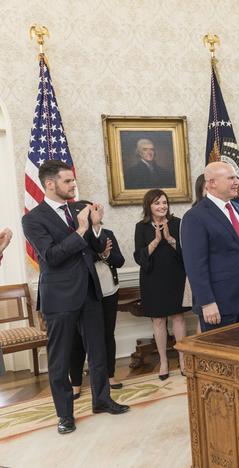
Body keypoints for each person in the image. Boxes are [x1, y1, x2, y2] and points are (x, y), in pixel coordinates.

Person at [22, 160, 128, 435]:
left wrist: (93, 227)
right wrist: (81, 229)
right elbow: (53, 256)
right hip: (59, 297)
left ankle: (102, 400)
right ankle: (65, 415)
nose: (73, 186)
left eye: (72, 181)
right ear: (50, 184)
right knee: (60, 359)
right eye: (67, 181)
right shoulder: (33, 219)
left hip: (90, 292)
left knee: (98, 351)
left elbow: (93, 248)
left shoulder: (78, 209)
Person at [181, 162, 239, 331]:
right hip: (219, 304)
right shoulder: (195, 217)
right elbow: (195, 265)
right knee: (222, 357)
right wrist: (207, 302)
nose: (237, 182)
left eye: (236, 177)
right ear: (211, 183)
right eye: (231, 178)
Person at [133, 189, 189, 379]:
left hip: (175, 276)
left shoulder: (177, 223)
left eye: (164, 202)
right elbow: (138, 256)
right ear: (149, 206)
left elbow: (187, 252)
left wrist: (170, 240)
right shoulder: (141, 227)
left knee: (178, 317)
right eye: (157, 203)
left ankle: (182, 359)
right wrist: (156, 241)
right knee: (158, 320)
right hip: (152, 278)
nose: (162, 206)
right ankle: (164, 361)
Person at [70, 225, 125, 398]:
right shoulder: (75, 235)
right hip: (85, 294)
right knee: (77, 340)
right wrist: (100, 252)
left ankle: (110, 376)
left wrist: (107, 255)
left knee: (108, 334)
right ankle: (76, 384)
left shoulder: (108, 233)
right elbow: (78, 259)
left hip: (109, 291)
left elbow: (120, 260)